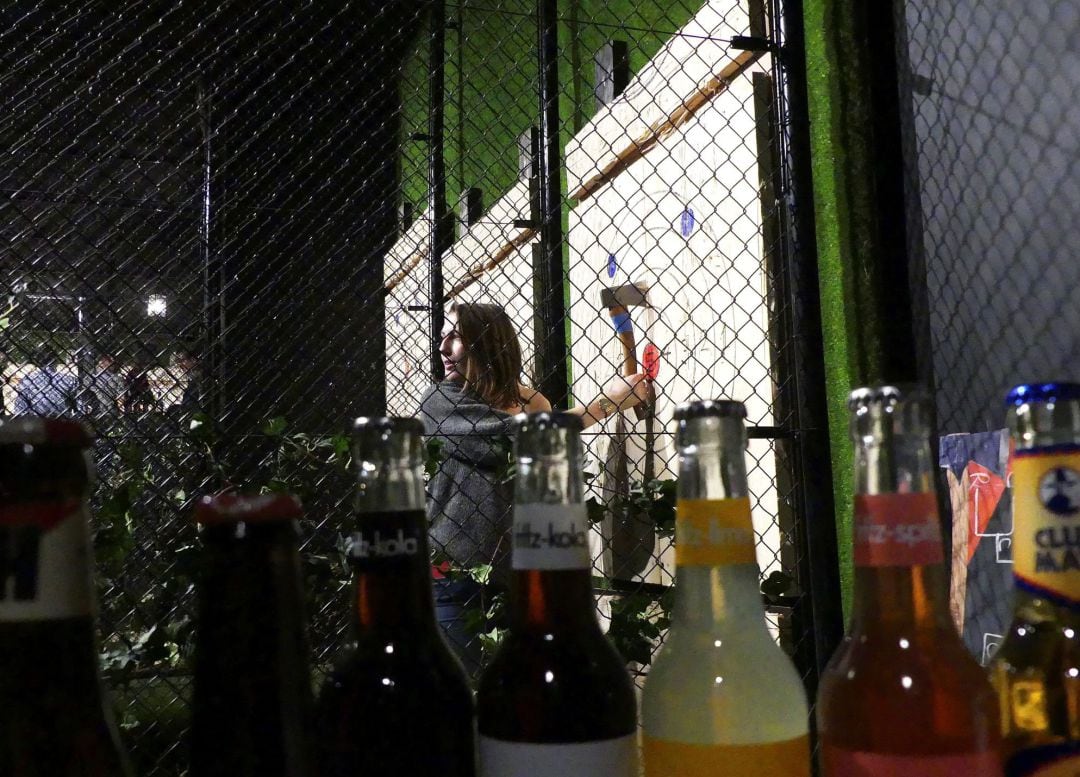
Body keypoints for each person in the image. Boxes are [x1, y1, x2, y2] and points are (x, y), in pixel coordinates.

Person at [418, 302, 648, 668]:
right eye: (444, 335)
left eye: (455, 336)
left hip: (526, 578)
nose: (442, 347)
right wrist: (609, 401)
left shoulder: (532, 401)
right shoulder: (440, 401)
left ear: (488, 342)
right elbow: (513, 438)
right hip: (457, 577)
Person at [13, 351, 79, 416]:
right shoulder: (69, 380)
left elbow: (20, 409)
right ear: (56, 362)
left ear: (37, 362)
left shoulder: (26, 381)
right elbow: (79, 406)